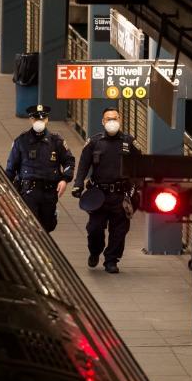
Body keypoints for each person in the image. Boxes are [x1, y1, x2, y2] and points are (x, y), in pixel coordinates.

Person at [71, 108, 141, 274]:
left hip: (120, 195)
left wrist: (134, 190)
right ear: (103, 122)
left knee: (119, 231)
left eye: (115, 118)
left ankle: (111, 260)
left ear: (120, 120)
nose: (112, 122)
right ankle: (95, 251)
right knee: (94, 228)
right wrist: (78, 184)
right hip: (98, 195)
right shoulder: (94, 142)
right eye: (108, 119)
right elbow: (83, 165)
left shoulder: (129, 143)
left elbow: (139, 167)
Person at [5, 105, 75, 233]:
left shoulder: (57, 141)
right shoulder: (21, 141)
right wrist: (4, 190)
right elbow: (10, 169)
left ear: (47, 120)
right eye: (36, 119)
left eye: (42, 119)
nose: (39, 122)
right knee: (31, 226)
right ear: (31, 120)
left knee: (48, 226)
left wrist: (65, 179)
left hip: (49, 192)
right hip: (28, 191)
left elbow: (69, 161)